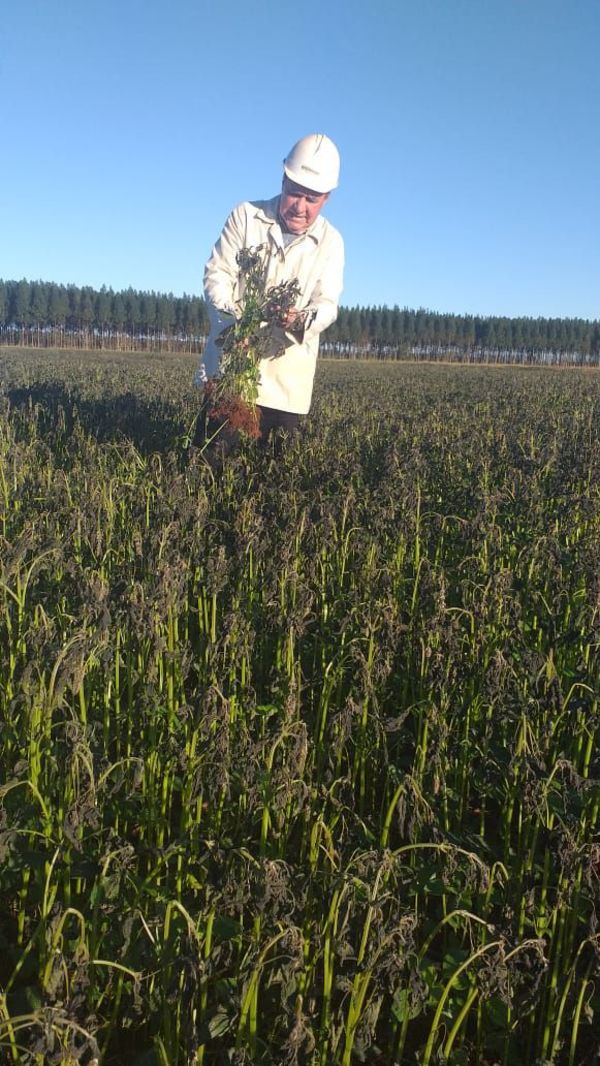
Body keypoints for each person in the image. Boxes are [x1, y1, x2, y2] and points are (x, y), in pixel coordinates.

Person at [193, 133, 344, 454]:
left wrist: (300, 319)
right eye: (293, 194)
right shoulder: (246, 217)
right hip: (232, 373)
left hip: (286, 386)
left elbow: (328, 304)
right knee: (211, 469)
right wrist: (237, 324)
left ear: (327, 197)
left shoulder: (332, 243)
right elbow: (217, 275)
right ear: (283, 179)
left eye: (311, 199)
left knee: (271, 484)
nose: (299, 207)